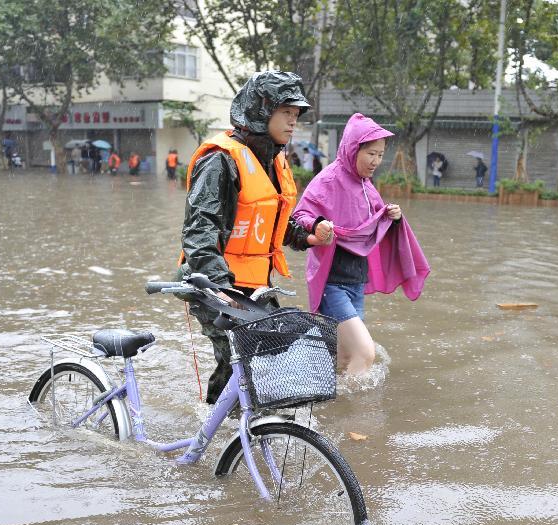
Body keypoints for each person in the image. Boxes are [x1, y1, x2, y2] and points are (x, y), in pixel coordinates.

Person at [177, 70, 332, 404]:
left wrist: (307, 237)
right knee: (237, 362)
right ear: (263, 110)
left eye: (296, 116)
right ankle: (216, 434)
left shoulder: (274, 161)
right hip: (214, 282)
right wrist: (218, 285)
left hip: (256, 284)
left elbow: (274, 223)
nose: (293, 123)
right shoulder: (221, 159)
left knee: (273, 353)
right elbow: (199, 228)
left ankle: (246, 428)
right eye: (286, 113)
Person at [292, 113, 431, 375]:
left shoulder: (367, 186)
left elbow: (376, 224)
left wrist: (394, 217)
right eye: (371, 154)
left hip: (356, 282)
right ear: (353, 148)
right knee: (365, 353)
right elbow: (299, 216)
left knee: (344, 359)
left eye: (380, 155)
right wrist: (318, 224)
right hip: (331, 283)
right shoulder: (328, 179)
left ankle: (335, 410)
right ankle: (359, 414)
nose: (376, 161)